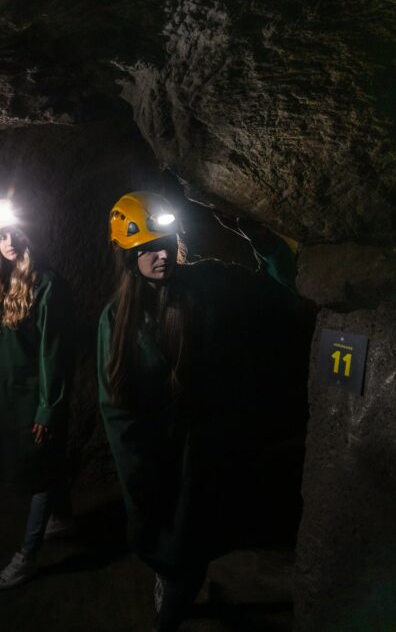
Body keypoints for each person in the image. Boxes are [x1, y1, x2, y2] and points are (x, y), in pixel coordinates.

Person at [96, 191, 300, 631]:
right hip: (156, 465)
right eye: (145, 249)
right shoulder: (116, 321)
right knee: (166, 548)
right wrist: (138, 480)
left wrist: (260, 237)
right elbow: (117, 412)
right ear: (127, 255)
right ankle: (170, 581)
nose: (159, 255)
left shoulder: (204, 285)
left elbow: (280, 282)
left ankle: (168, 615)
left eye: (164, 243)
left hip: (205, 457)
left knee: (188, 555)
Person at [0, 198, 75, 590]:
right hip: (6, 397)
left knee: (38, 471)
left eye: (13, 232)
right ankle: (62, 517)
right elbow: (4, 332)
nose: (8, 241)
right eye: (0, 235)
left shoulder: (49, 285)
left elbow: (51, 354)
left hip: (31, 400)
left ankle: (27, 555)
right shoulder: (1, 281)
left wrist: (47, 409)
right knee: (44, 463)